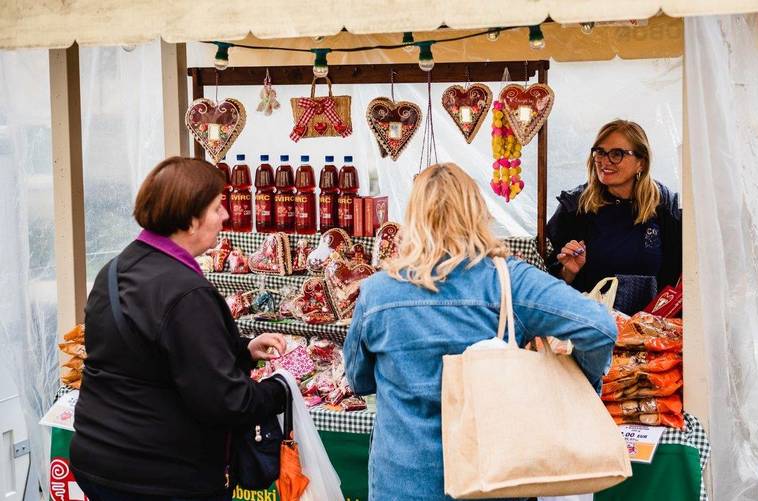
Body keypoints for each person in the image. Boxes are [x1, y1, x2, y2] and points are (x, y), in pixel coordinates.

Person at [344, 163, 617, 501]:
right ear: (477, 212)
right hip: (493, 480)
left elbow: (359, 381)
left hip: (404, 482)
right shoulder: (509, 281)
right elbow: (599, 327)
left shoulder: (378, 293)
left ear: (412, 218)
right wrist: (581, 381)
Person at [71, 157, 290, 501]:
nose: (226, 217)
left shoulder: (116, 269)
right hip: (159, 473)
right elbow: (225, 401)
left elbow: (149, 354)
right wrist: (281, 389)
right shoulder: (186, 293)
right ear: (190, 219)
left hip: (99, 457)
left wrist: (241, 351)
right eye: (217, 208)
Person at [546, 119, 681, 295]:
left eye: (617, 154)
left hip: (649, 319)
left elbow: (681, 274)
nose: (605, 161)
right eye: (600, 152)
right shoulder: (575, 207)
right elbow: (545, 284)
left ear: (641, 162)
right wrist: (568, 272)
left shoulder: (664, 205)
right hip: (591, 317)